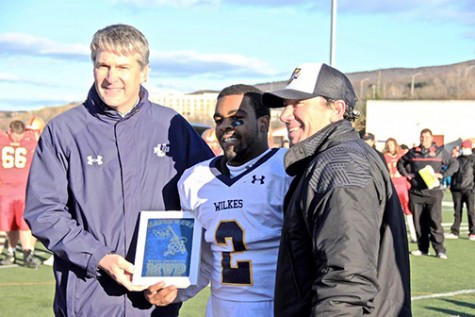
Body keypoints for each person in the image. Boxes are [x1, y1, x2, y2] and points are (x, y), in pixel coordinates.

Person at [24, 24, 213, 316]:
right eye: (103, 65)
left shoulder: (173, 127)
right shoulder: (63, 131)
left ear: (144, 71)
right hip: (87, 299)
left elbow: (207, 200)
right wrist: (99, 258)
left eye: (123, 67)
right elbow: (44, 211)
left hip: (153, 304)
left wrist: (182, 279)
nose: (111, 77)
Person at [261, 63, 412, 316]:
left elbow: (345, 282)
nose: (285, 115)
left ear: (337, 109)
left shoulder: (340, 165)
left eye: (298, 103)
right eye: (285, 105)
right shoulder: (334, 159)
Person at [145, 84, 293, 316]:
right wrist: (176, 290)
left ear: (263, 123)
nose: (225, 126)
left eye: (237, 119)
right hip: (220, 308)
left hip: (276, 307)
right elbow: (203, 258)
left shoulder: (287, 170)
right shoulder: (195, 180)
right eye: (219, 119)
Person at [397, 128, 459, 259]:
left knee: (435, 221)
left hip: (434, 193)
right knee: (418, 222)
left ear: (432, 138)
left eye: (426, 137)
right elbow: (400, 163)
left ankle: (440, 250)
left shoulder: (440, 152)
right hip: (416, 193)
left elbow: (454, 164)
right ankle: (422, 248)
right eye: (422, 137)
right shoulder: (413, 152)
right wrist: (407, 175)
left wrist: (442, 175)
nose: (424, 139)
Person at [0, 120, 40, 268]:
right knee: (10, 225)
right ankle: (12, 252)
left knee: (24, 224)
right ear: (9, 130)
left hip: (22, 190)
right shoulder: (30, 139)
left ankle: (27, 253)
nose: (16, 138)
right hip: (8, 190)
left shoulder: (6, 139)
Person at [383, 137, 418, 243]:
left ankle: (413, 235)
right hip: (392, 186)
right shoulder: (384, 157)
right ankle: (392, 235)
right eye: (388, 145)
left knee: (408, 210)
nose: (390, 147)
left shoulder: (401, 156)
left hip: (402, 185)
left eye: (391, 144)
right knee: (391, 211)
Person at [446, 139, 475, 240]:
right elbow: (453, 172)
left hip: (470, 189)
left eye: (465, 147)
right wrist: (452, 185)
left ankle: (473, 232)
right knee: (457, 211)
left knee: (471, 211)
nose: (463, 149)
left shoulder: (473, 159)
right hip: (457, 189)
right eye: (463, 147)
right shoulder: (457, 159)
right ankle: (455, 231)